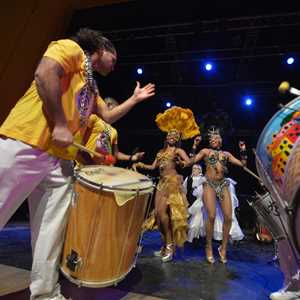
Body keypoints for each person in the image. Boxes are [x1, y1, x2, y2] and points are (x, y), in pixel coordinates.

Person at [0, 28, 155, 300]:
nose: (115, 64)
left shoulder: (91, 84)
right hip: (27, 142)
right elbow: (44, 73)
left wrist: (133, 99)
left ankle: (46, 293)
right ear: (101, 48)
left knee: (52, 230)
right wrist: (60, 123)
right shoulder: (70, 49)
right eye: (114, 58)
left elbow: (106, 116)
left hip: (59, 160)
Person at [133, 106, 200, 262]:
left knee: (167, 217)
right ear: (166, 137)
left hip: (173, 183)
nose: (171, 136)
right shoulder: (160, 152)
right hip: (161, 184)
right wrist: (140, 164)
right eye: (170, 134)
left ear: (177, 139)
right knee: (158, 214)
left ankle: (170, 245)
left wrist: (181, 163)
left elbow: (189, 162)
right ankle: (165, 244)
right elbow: (153, 167)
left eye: (175, 135)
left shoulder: (177, 151)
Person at [186, 128, 247, 263]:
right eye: (211, 139)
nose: (213, 140)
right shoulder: (205, 152)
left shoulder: (226, 154)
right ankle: (208, 246)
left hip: (223, 184)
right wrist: (194, 145)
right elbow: (191, 162)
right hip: (209, 184)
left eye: (216, 138)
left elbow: (243, 164)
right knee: (212, 215)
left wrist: (243, 150)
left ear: (220, 140)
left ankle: (223, 248)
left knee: (228, 217)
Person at [77, 97, 145, 166]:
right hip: (86, 167)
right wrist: (88, 161)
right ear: (109, 105)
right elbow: (79, 142)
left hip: (103, 169)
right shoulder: (93, 118)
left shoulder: (114, 131)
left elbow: (116, 154)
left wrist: (133, 157)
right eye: (117, 109)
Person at [187, 175, 244, 244]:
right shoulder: (206, 181)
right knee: (199, 219)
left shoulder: (225, 182)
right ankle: (197, 238)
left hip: (217, 205)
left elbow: (227, 197)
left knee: (219, 221)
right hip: (206, 204)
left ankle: (221, 240)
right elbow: (198, 193)